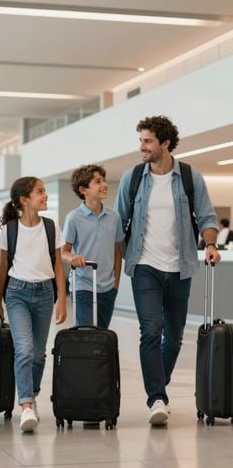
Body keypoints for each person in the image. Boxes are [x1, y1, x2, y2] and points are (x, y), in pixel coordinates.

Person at [114, 115, 221, 426]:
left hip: (180, 267)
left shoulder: (190, 176)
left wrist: (211, 244)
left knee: (173, 339)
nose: (142, 147)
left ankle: (158, 387)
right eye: (141, 141)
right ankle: (157, 398)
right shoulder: (133, 178)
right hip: (144, 265)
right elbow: (118, 223)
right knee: (150, 332)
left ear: (165, 143)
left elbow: (207, 217)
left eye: (147, 141)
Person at [0, 176, 67, 433]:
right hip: (16, 294)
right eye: (40, 192)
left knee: (38, 353)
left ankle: (32, 395)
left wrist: (62, 300)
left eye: (44, 191)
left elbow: (58, 265)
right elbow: (3, 268)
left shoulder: (51, 226)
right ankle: (25, 405)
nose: (45, 195)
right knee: (23, 349)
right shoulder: (9, 230)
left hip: (45, 293)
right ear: (24, 200)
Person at [62, 164, 124, 328]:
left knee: (102, 334)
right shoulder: (73, 218)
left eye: (103, 180)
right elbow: (63, 252)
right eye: (97, 181)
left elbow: (117, 252)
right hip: (83, 284)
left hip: (108, 287)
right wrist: (73, 257)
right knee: (87, 331)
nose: (104, 185)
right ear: (84, 190)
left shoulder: (114, 217)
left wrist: (116, 284)